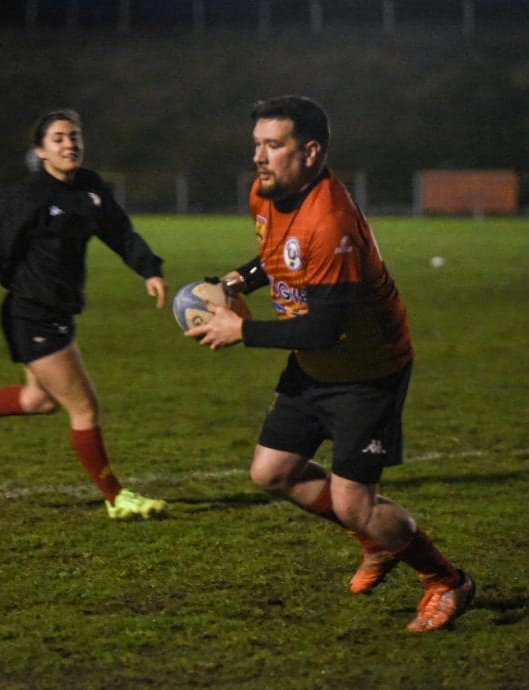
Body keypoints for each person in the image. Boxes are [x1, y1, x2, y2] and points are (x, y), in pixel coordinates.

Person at [186, 95, 474, 632]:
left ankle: (446, 581)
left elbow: (324, 328)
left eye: (274, 146)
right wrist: (232, 283)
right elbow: (275, 257)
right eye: (257, 145)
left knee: (353, 504)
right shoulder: (266, 193)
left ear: (311, 151)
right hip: (316, 364)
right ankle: (374, 539)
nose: (260, 157)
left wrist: (241, 329)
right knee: (272, 473)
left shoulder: (331, 220)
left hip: (367, 372)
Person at [0, 108, 169, 520]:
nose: (69, 144)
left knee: (38, 399)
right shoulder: (29, 197)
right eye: (59, 138)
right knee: (84, 409)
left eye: (74, 136)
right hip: (31, 315)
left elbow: (119, 231)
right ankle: (116, 497)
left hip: (57, 312)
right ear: (41, 151)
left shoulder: (90, 188)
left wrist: (148, 268)